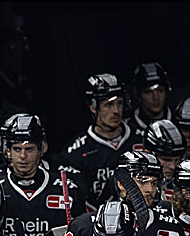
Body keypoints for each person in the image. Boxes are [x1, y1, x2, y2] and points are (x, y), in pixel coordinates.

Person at [57, 150, 184, 236]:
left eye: (154, 183)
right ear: (121, 184)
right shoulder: (84, 226)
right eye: (143, 181)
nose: (150, 189)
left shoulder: (172, 226)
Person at [0, 113, 85, 236]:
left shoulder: (67, 188)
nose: (23, 156)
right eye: (17, 149)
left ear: (42, 149)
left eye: (29, 149)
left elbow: (83, 235)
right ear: (8, 151)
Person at [59, 73, 141, 210]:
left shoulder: (141, 140)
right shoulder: (75, 153)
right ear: (93, 107)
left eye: (119, 103)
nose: (116, 111)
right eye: (109, 105)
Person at [143, 119, 186, 203]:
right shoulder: (132, 184)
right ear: (148, 155)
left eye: (177, 160)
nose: (173, 166)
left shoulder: (184, 185)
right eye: (166, 160)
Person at [130, 62, 173, 131]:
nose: (156, 98)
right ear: (138, 95)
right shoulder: (127, 126)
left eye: (160, 91)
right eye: (148, 92)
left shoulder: (180, 121)